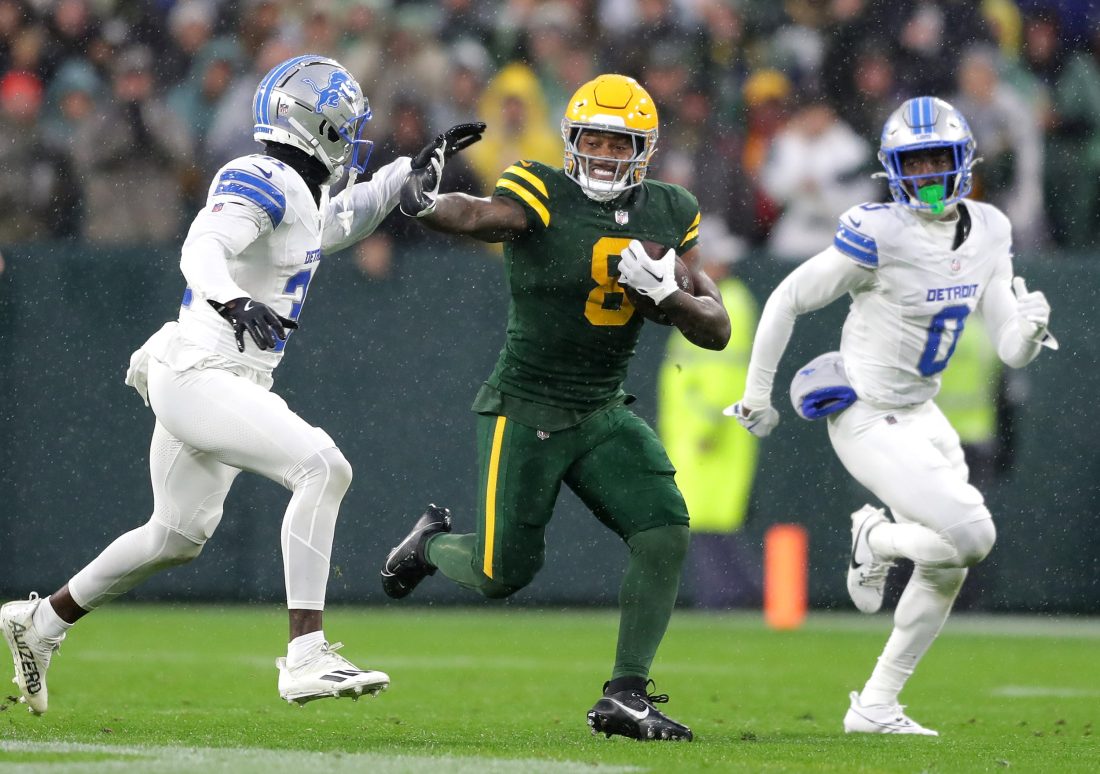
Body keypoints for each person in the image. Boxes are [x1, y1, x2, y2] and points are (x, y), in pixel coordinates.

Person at [0, 54, 484, 714]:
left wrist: (409, 168)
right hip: (203, 370)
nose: (355, 134)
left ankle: (41, 622)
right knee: (323, 467)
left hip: (212, 374)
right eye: (347, 123)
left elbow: (346, 218)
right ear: (318, 125)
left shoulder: (301, 195)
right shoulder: (262, 176)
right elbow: (202, 245)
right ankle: (306, 655)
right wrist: (232, 300)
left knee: (175, 535)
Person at [382, 74, 732, 742]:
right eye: (592, 138)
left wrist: (671, 300)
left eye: (618, 140)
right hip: (528, 404)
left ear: (645, 148)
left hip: (601, 408)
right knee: (501, 573)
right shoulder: (540, 188)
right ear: (571, 140)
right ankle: (430, 546)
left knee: (664, 533)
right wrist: (427, 204)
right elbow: (482, 215)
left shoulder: (670, 209)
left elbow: (714, 328)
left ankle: (626, 696)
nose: (602, 153)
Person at [727, 96, 1056, 735]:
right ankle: (873, 538)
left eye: (940, 160)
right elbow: (787, 298)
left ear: (965, 162)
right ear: (893, 169)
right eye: (917, 162)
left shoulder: (990, 228)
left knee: (947, 562)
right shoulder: (880, 232)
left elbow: (1010, 347)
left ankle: (875, 705)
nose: (930, 175)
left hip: (923, 414)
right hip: (866, 414)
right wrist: (757, 394)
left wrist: (1031, 329)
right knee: (975, 536)